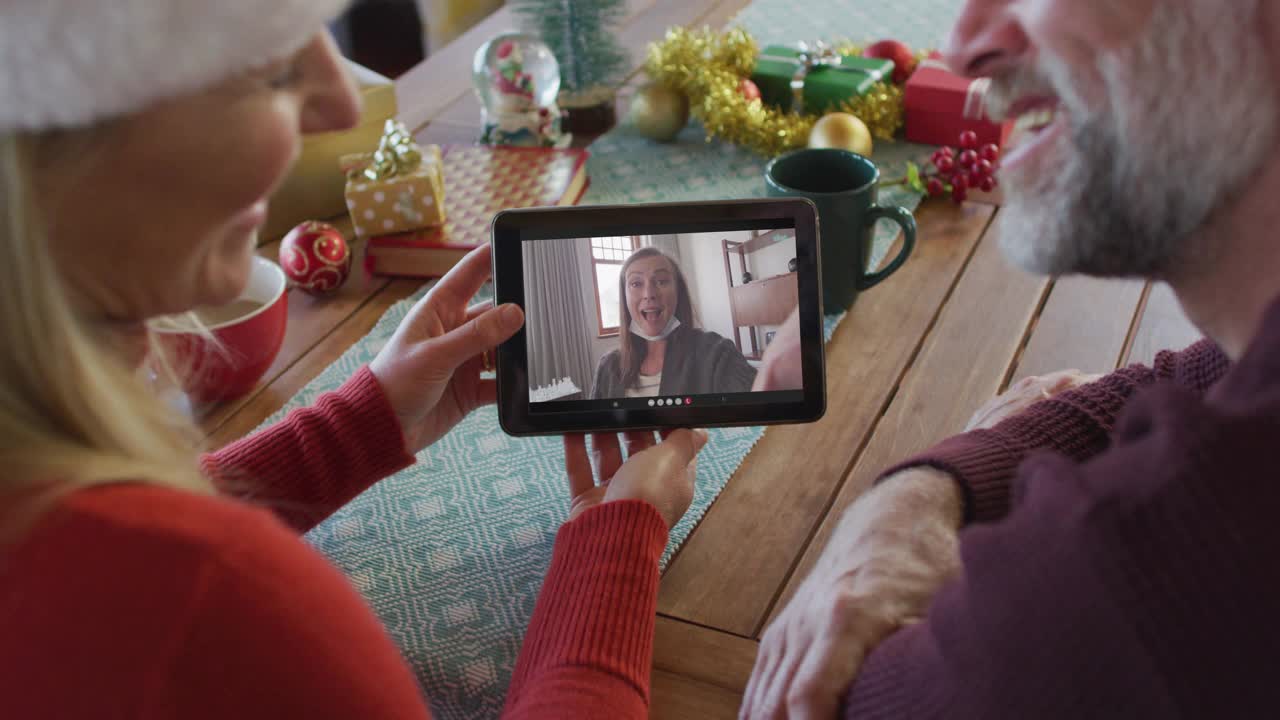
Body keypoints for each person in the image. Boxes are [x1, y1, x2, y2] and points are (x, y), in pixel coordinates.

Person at [0, 2, 706, 718]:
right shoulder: (216, 593)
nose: (342, 103)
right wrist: (617, 545)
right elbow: (162, 591)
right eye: (271, 66)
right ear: (51, 142)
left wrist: (352, 429)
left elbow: (124, 588)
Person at [741, 0, 1280, 717]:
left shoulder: (1115, 592)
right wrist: (921, 496)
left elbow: (837, 695)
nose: (962, 47)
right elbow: (1200, 376)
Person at [591, 247, 760, 399]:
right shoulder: (608, 367)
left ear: (678, 292)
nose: (649, 294)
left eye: (662, 281)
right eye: (636, 283)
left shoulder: (716, 353)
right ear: (624, 298)